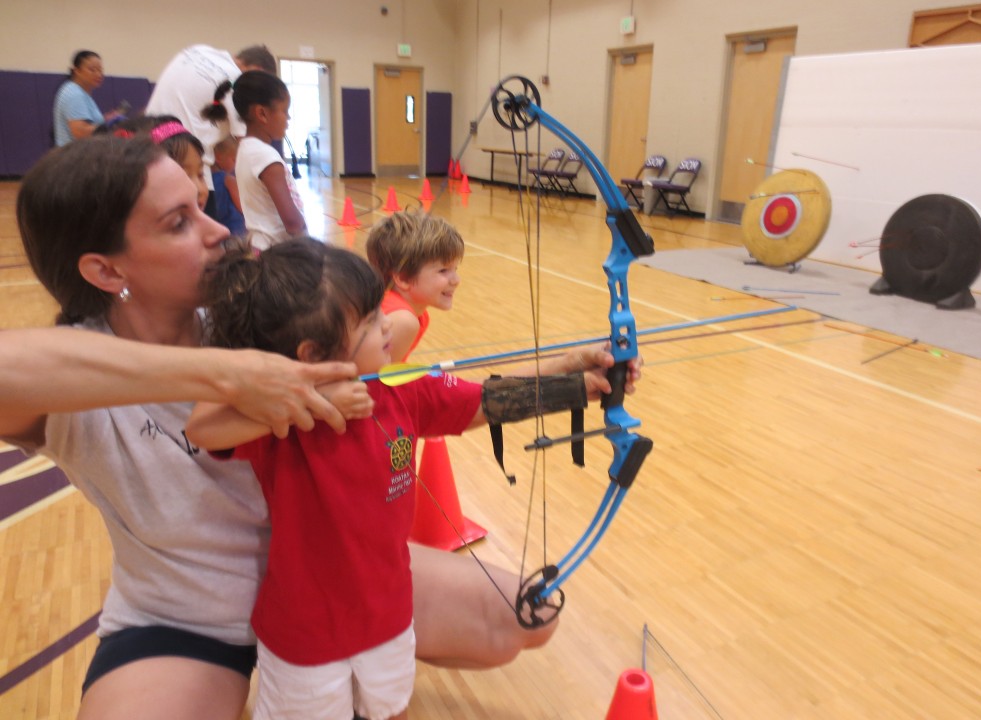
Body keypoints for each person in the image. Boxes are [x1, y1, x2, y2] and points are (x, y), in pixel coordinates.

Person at [2, 136, 640, 719]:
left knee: (526, 618)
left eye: (201, 203)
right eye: (178, 223)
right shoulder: (68, 378)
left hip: (340, 580)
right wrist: (223, 379)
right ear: (106, 270)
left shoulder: (267, 315)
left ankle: (351, 665)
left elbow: (439, 400)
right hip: (185, 621)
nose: (218, 227)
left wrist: (565, 378)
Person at [186, 237, 608, 720]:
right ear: (313, 353)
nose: (388, 323)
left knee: (390, 711)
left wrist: (572, 380)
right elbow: (203, 426)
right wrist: (313, 402)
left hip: (388, 618)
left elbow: (486, 400)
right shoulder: (278, 421)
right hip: (305, 638)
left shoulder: (398, 388)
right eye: (369, 322)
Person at [146, 44, 276, 217]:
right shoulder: (236, 81)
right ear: (256, 70)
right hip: (186, 167)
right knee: (201, 237)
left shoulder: (197, 50)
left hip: (147, 152)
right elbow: (249, 146)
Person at [202, 71, 305, 249]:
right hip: (280, 254)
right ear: (262, 113)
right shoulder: (265, 156)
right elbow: (292, 222)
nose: (288, 118)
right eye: (284, 111)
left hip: (260, 247)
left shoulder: (245, 149)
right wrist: (307, 242)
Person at [366, 210, 463, 362]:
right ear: (403, 278)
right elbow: (380, 382)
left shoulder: (415, 314)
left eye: (455, 269)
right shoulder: (403, 320)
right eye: (443, 270)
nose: (456, 280)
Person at [52, 50, 119, 146]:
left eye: (100, 70)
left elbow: (88, 125)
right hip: (74, 157)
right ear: (77, 71)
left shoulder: (80, 92)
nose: (98, 74)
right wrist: (109, 125)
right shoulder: (74, 94)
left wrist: (105, 119)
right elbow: (81, 133)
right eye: (92, 70)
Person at [211, 136, 246, 236]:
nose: (236, 164)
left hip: (219, 228)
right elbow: (243, 207)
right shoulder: (229, 179)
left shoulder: (207, 180)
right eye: (234, 160)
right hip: (236, 230)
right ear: (218, 157)